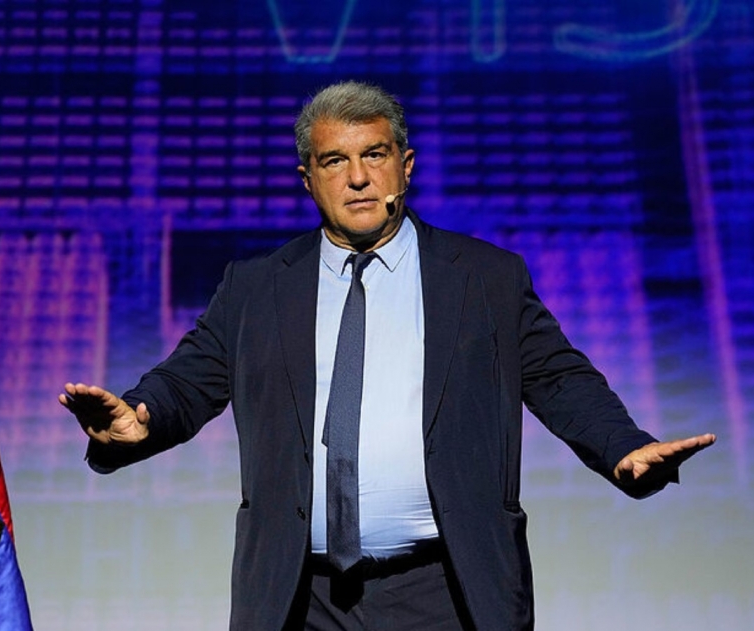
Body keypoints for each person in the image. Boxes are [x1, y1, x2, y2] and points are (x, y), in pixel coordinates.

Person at [60, 81, 716, 630]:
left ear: (406, 164)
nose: (358, 178)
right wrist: (140, 419)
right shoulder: (256, 287)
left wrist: (624, 447)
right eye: (334, 161)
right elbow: (189, 378)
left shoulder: (484, 279)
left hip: (448, 591)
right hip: (299, 597)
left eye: (374, 154)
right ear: (307, 179)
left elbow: (559, 377)